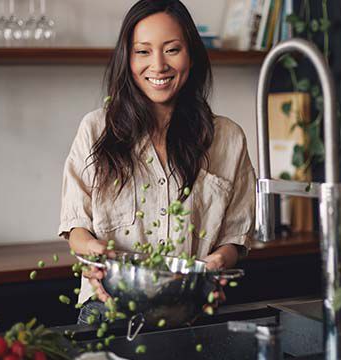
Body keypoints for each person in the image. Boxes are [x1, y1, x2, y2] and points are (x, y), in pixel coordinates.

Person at [58, 0, 255, 325]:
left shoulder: (228, 138)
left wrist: (220, 259)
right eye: (143, 52)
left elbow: (235, 236)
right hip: (108, 309)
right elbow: (76, 226)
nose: (159, 65)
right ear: (128, 59)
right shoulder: (96, 129)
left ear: (191, 54)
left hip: (191, 312)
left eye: (172, 49)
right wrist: (93, 250)